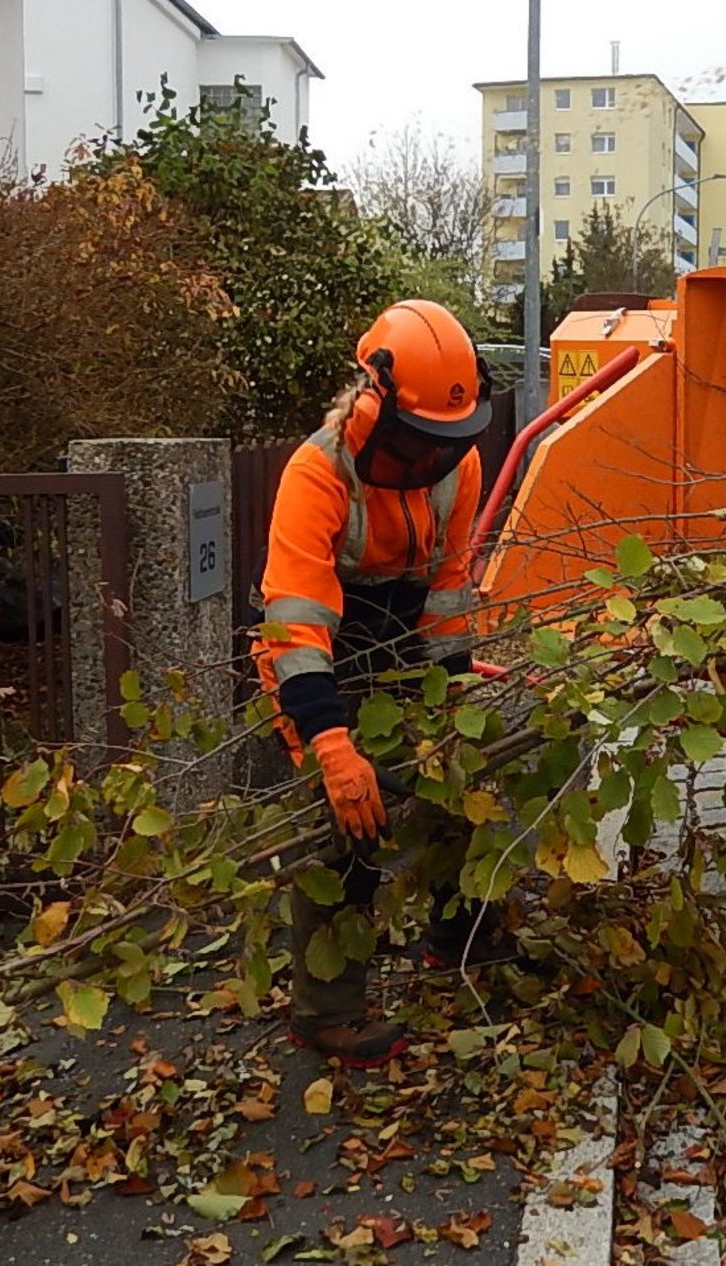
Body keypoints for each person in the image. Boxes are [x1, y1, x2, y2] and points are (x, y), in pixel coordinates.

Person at [253, 299, 510, 1067]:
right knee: (346, 830)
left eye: (445, 440)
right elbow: (296, 623)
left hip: (402, 643)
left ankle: (466, 943)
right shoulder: (318, 471)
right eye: (419, 438)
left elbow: (448, 591)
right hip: (321, 657)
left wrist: (454, 691)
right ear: (375, 401)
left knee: (461, 786)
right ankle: (325, 1011)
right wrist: (332, 744)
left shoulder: (456, 467)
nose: (431, 455)